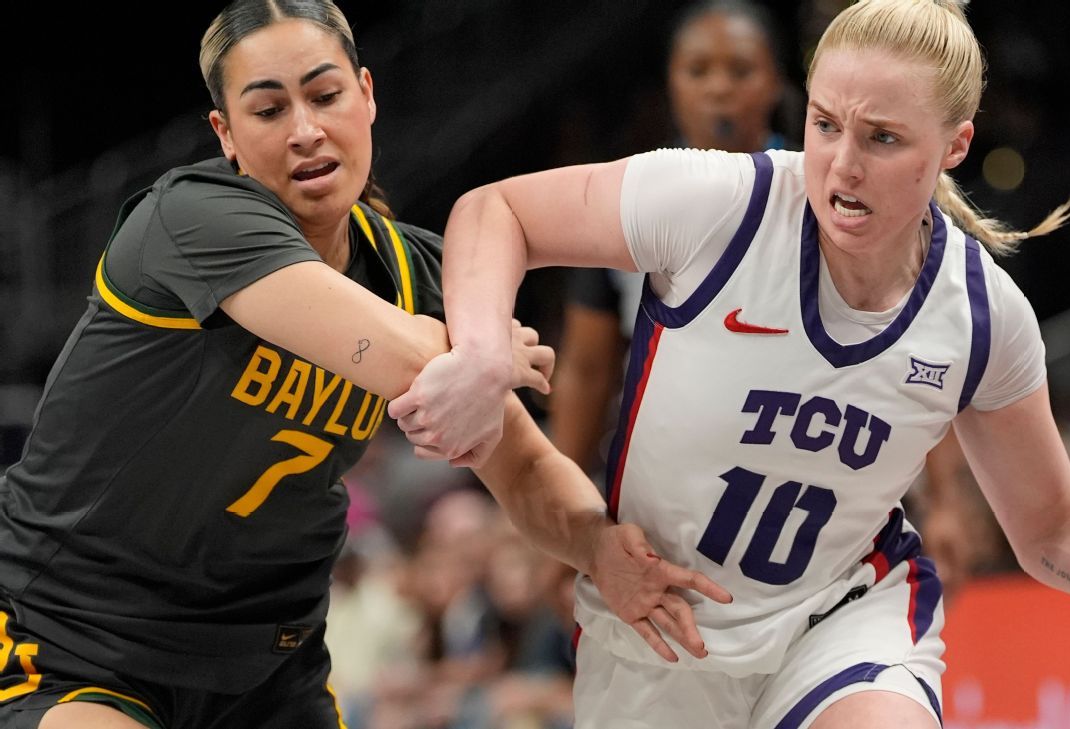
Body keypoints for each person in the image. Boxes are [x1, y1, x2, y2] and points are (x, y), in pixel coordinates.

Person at [392, 0, 1070, 726]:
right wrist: (482, 348)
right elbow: (496, 210)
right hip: (656, 623)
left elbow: (1054, 530)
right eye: (826, 125)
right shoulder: (720, 204)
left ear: (955, 145)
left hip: (839, 617)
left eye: (883, 138)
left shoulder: (982, 316)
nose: (842, 166)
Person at [0, 2, 724, 727]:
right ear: (225, 135)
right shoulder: (191, 218)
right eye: (268, 109)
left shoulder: (421, 275)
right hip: (77, 633)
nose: (305, 130)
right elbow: (408, 355)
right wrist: (489, 351)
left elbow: (526, 468)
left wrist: (598, 546)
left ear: (367, 95)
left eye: (325, 95)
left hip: (266, 666)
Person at [551, 0, 792, 474]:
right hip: (664, 468)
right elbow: (587, 368)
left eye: (741, 70)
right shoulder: (629, 199)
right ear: (671, 84)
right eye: (698, 71)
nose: (719, 88)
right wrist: (561, 496)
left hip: (788, 459)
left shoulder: (819, 196)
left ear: (774, 83)